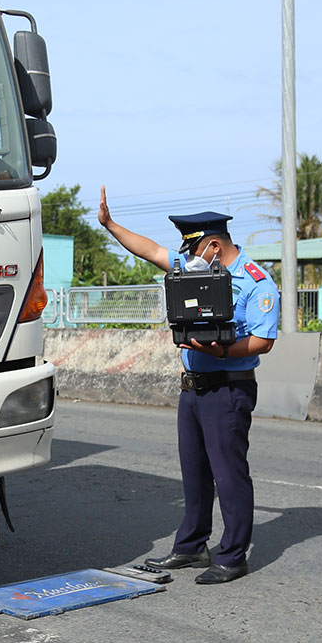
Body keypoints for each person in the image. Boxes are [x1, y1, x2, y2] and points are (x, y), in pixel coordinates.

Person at [98, 187, 279, 584]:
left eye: (195, 249)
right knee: (194, 474)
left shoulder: (256, 282)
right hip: (193, 388)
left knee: (229, 475)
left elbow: (263, 341)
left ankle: (232, 556)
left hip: (228, 388)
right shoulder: (195, 269)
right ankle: (192, 546)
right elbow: (151, 250)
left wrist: (221, 350)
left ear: (214, 246)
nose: (188, 257)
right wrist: (111, 225)